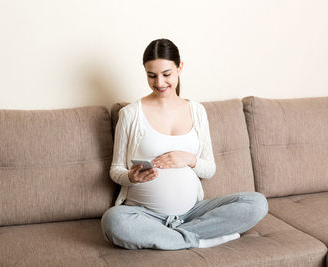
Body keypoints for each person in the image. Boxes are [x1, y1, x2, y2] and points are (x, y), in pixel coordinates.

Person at [101, 38, 268, 250]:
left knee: (256, 203)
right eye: (151, 75)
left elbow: (209, 169)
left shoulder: (196, 111)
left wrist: (189, 159)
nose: (159, 83)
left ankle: (172, 238)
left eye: (166, 74)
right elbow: (116, 170)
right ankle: (199, 239)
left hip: (192, 213)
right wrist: (130, 177)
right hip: (144, 214)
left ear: (180, 67)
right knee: (113, 220)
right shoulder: (130, 114)